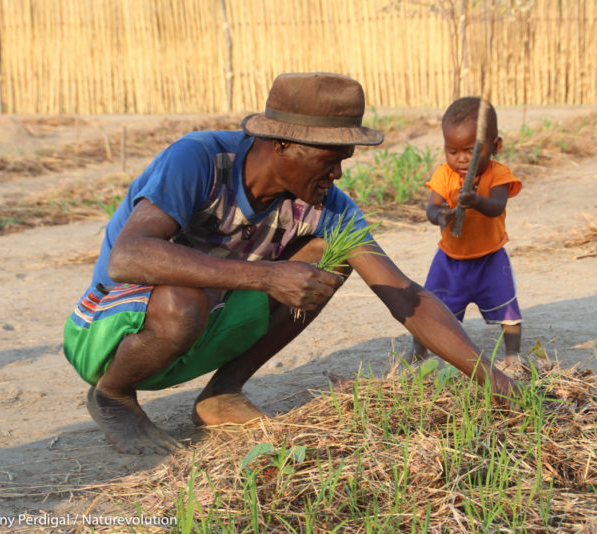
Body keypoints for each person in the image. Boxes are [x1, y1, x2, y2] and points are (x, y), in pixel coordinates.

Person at [63, 73, 517, 455]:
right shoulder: (200, 159)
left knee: (331, 255)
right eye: (330, 159)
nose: (338, 174)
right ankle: (114, 396)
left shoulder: (329, 206)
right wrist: (267, 276)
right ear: (282, 143)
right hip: (112, 330)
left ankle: (222, 392)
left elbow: (405, 294)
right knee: (184, 298)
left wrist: (490, 377)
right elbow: (128, 256)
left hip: (206, 324)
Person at [405, 97, 523, 367]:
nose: (461, 159)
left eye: (471, 151)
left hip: (489, 259)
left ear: (496, 146)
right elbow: (431, 208)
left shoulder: (499, 175)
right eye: (452, 150)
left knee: (508, 310)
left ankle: (513, 354)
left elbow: (496, 207)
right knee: (428, 307)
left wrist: (477, 201)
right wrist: (441, 216)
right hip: (449, 261)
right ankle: (419, 347)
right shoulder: (444, 175)